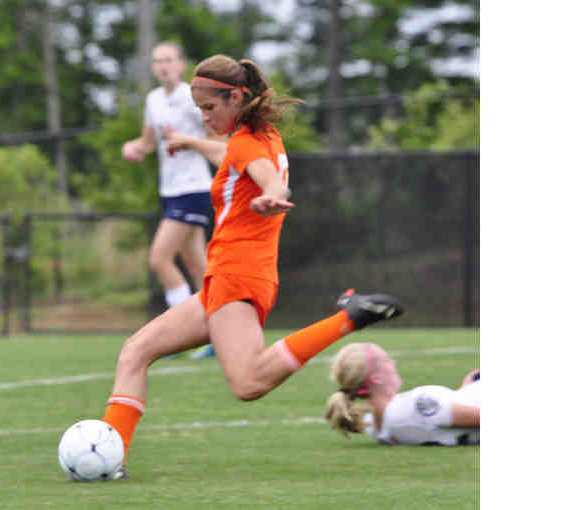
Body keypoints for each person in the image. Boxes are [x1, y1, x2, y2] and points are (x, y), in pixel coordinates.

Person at [102, 54, 404, 480]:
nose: (204, 117)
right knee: (135, 351)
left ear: (236, 97)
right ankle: (109, 459)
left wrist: (272, 193)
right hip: (231, 277)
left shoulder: (246, 144)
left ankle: (347, 319)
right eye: (199, 109)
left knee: (247, 383)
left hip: (236, 276)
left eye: (210, 107)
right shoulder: (263, 136)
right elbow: (236, 157)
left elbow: (266, 177)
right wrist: (193, 145)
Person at [122, 43, 221, 362]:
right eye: (157, 61)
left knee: (159, 259)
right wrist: (135, 148)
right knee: (197, 265)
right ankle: (221, 329)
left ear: (181, 64)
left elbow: (218, 140)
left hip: (194, 188)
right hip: (170, 190)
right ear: (153, 67)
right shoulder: (153, 99)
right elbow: (149, 142)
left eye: (168, 60)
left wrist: (188, 142)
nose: (163, 65)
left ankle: (183, 334)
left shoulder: (192, 98)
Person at [325, 342, 480, 445]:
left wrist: (465, 390)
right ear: (376, 378)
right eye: (386, 360)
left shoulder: (374, 426)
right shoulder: (416, 405)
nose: (393, 363)